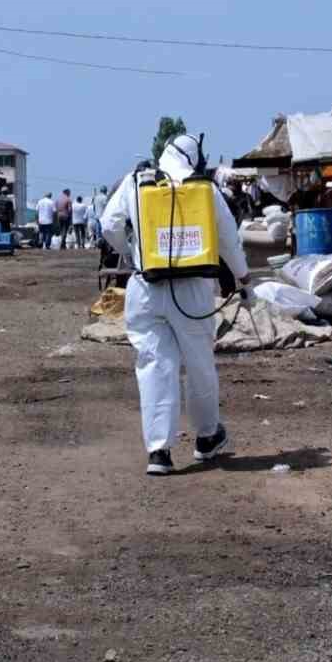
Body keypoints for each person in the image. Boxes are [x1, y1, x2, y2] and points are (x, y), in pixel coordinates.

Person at [100, 133, 249, 476]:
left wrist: (131, 252)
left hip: (146, 287)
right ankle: (207, 438)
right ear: (194, 158)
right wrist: (243, 278)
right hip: (193, 291)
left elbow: (109, 225)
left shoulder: (136, 182)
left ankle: (159, 452)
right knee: (199, 364)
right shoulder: (204, 189)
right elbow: (228, 238)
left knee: (154, 366)